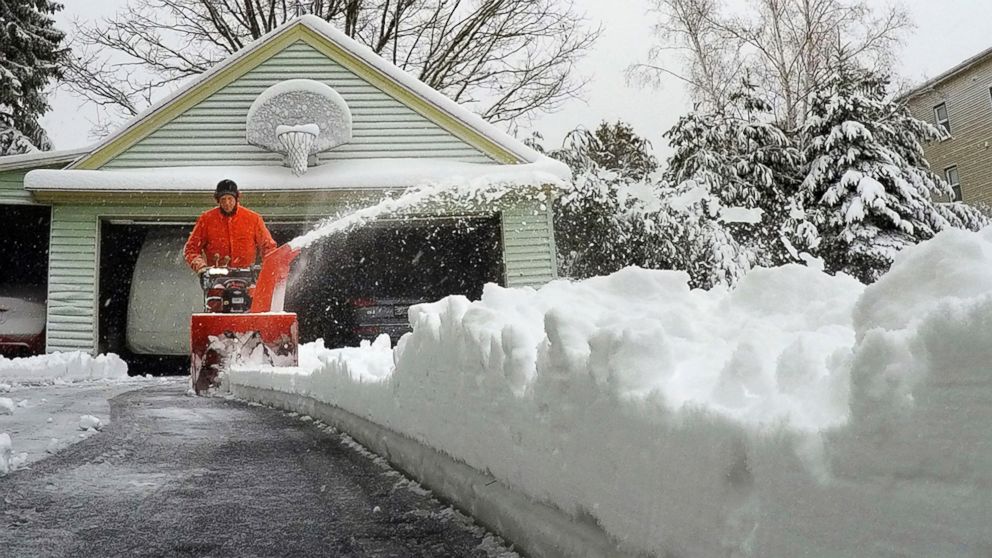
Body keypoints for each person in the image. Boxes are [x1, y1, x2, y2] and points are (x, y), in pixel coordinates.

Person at [184, 179, 277, 274]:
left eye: (230, 199)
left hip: (247, 278)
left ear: (236, 198)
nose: (227, 203)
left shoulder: (253, 219)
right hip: (216, 279)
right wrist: (200, 266)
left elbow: (268, 246)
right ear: (218, 201)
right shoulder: (206, 219)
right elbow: (191, 249)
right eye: (223, 199)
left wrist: (268, 267)